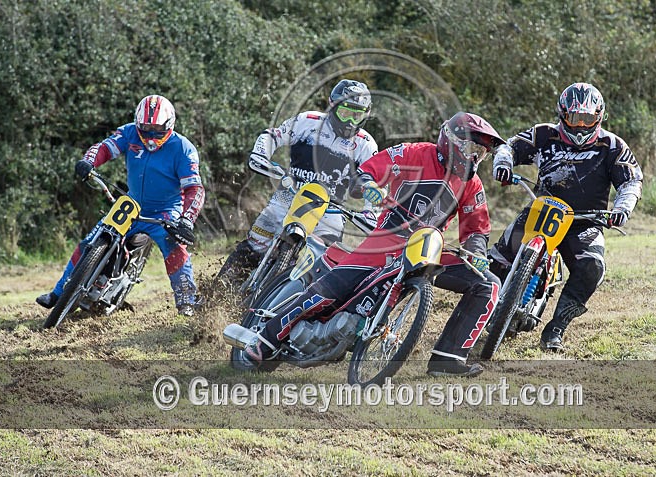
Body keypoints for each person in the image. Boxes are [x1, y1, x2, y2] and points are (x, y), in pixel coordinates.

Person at [235, 112, 505, 377]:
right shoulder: (415, 153)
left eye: (480, 153)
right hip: (386, 239)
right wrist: (369, 186)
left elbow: (476, 230)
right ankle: (265, 337)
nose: (474, 157)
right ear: (451, 140)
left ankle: (449, 358)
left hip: (427, 248)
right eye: (471, 148)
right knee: (331, 289)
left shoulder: (472, 185)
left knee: (487, 283)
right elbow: (369, 170)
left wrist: (477, 253)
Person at [489, 82, 643, 351]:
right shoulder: (543, 135)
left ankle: (556, 328)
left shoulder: (613, 145)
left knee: (592, 267)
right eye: (575, 118)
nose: (581, 126)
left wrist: (622, 208)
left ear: (599, 117)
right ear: (562, 115)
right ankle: (485, 308)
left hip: (585, 221)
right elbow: (509, 146)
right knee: (498, 258)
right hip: (543, 210)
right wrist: (503, 163)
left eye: (587, 119)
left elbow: (632, 181)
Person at [36, 94, 205, 316]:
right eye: (145, 130)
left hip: (166, 211)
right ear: (137, 125)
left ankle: (187, 301)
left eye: (157, 131)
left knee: (175, 248)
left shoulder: (183, 148)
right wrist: (89, 162)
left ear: (170, 125)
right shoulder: (129, 133)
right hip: (131, 205)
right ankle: (59, 292)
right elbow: (105, 148)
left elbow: (195, 189)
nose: (151, 137)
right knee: (90, 240)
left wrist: (186, 220)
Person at [219, 79, 378, 281]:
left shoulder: (366, 144)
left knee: (324, 266)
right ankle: (216, 291)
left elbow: (373, 178)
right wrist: (261, 154)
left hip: (331, 211)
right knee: (255, 244)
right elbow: (274, 136)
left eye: (357, 115)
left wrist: (369, 210)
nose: (349, 122)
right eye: (345, 112)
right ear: (332, 105)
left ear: (366, 114)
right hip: (288, 196)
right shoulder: (308, 121)